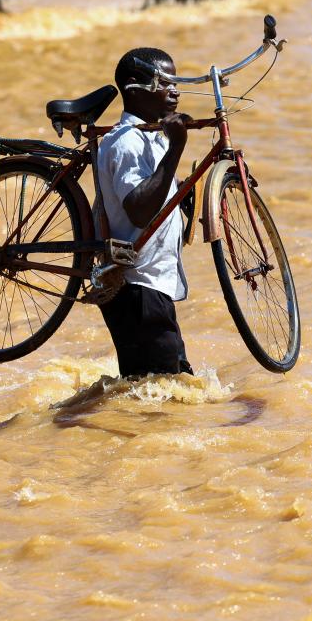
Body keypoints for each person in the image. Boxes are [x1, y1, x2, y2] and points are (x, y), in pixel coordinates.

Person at [95, 47, 194, 379]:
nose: (175, 90)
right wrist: (177, 149)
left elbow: (162, 193)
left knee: (162, 394)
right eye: (165, 82)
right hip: (136, 289)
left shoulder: (153, 138)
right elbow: (139, 209)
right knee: (162, 397)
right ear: (135, 86)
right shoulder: (126, 143)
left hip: (151, 290)